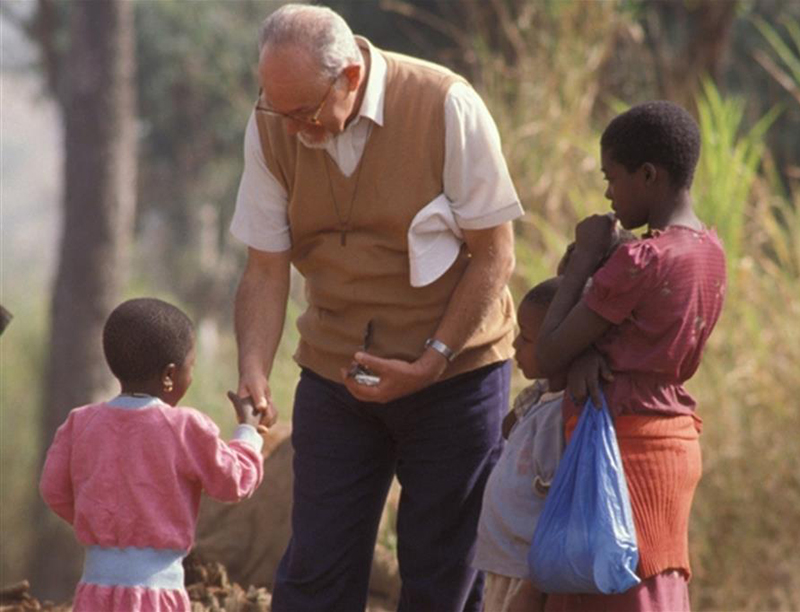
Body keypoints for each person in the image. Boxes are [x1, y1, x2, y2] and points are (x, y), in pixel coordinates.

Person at [230, 4, 523, 611]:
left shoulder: (445, 104)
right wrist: (253, 368)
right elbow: (264, 267)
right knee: (315, 571)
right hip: (337, 373)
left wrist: (431, 362)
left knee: (442, 576)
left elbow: (495, 256)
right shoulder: (272, 123)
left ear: (350, 78)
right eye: (278, 110)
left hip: (453, 373)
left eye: (304, 112)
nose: (292, 128)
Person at [535, 100, 727, 611]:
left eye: (612, 177)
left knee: (610, 583)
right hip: (674, 441)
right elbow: (637, 340)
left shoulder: (643, 260)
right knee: (652, 585)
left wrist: (585, 256)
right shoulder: (709, 250)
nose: (607, 193)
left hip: (620, 449)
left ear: (647, 175)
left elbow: (547, 353)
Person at [39, 298, 266, 612]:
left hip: (94, 592)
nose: (191, 376)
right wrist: (248, 431)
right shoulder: (184, 427)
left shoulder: (80, 422)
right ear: (170, 374)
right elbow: (234, 482)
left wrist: (98, 521)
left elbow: (52, 489)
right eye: (191, 367)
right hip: (157, 595)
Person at [473, 277, 565, 612]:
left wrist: (533, 584)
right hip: (505, 564)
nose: (514, 346)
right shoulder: (542, 398)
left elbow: (557, 506)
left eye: (525, 338)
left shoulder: (559, 418)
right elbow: (508, 427)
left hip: (525, 573)